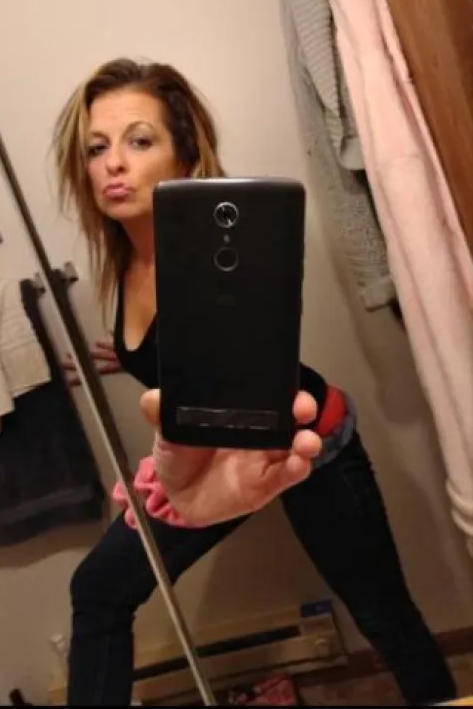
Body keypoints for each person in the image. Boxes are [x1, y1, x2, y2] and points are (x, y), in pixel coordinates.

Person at [53, 58, 456, 706]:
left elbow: (235, 379)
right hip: (222, 456)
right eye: (96, 148)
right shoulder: (126, 263)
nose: (113, 164)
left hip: (311, 441)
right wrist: (132, 355)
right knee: (99, 590)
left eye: (140, 140)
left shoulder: (222, 261)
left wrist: (162, 467)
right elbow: (186, 368)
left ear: (186, 159)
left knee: (384, 618)